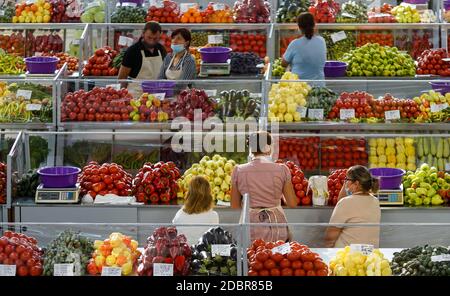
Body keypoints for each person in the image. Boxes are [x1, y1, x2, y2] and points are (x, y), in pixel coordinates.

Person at [231, 131, 297, 242]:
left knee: (251, 257)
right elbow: (292, 203)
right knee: (276, 256)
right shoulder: (282, 169)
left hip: (249, 225)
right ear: (269, 148)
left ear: (251, 149)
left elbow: (234, 205)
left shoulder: (238, 170)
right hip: (276, 225)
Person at [325, 165, 381, 248]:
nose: (345, 182)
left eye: (347, 179)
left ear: (356, 183)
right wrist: (346, 183)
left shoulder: (346, 203)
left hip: (347, 256)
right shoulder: (375, 201)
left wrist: (327, 254)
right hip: (369, 256)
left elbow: (330, 237)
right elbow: (341, 201)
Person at [118, 22, 167, 94]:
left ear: (160, 36)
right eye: (149, 37)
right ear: (143, 33)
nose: (152, 41)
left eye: (155, 38)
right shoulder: (133, 51)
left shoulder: (161, 49)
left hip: (157, 94)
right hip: (136, 94)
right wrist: (122, 95)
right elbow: (122, 77)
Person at [172, 175, 219, 245]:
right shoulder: (213, 216)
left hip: (184, 254)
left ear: (189, 193)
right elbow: (215, 241)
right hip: (203, 254)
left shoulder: (180, 214)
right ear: (209, 194)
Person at [282, 12, 326, 81]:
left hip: (300, 88)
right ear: (314, 25)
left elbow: (283, 64)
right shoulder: (322, 41)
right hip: (319, 87)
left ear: (299, 27)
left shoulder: (295, 44)